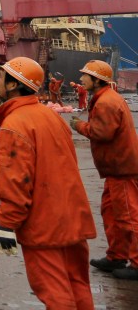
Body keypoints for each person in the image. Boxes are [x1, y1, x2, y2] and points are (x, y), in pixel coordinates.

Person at [0, 56, 96, 309]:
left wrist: (6, 224)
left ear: (13, 85)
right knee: (77, 284)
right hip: (72, 218)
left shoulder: (14, 124)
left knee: (54, 292)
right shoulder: (51, 117)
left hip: (43, 225)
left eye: (0, 78)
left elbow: (16, 180)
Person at [70, 59, 138, 279]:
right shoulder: (105, 98)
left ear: (97, 80)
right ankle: (116, 256)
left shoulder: (106, 102)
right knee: (110, 212)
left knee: (128, 216)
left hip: (123, 170)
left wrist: (77, 125)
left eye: (85, 76)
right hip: (116, 169)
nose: (81, 79)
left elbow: (102, 133)